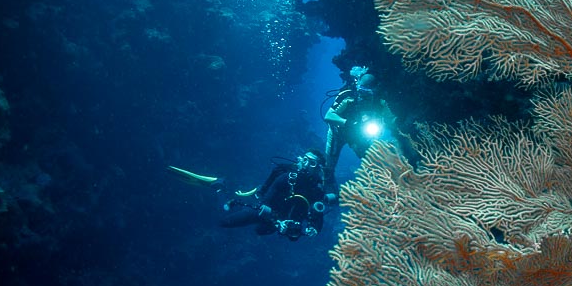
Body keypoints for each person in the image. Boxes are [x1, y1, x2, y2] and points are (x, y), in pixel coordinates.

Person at [168, 149, 328, 241]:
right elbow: (265, 202)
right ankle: (218, 187)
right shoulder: (286, 177)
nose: (306, 164)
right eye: (305, 159)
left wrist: (311, 230)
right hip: (264, 209)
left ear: (318, 169)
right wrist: (277, 220)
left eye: (312, 163)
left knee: (261, 231)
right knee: (224, 222)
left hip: (278, 220)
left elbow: (317, 219)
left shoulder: (317, 191)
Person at [322, 66, 400, 193]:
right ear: (358, 87)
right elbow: (328, 116)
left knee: (371, 160)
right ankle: (327, 189)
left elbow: (390, 120)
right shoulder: (347, 95)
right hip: (338, 133)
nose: (363, 97)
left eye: (367, 94)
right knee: (329, 166)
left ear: (373, 92)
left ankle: (383, 186)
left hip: (357, 135)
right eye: (361, 92)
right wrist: (348, 123)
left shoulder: (379, 103)